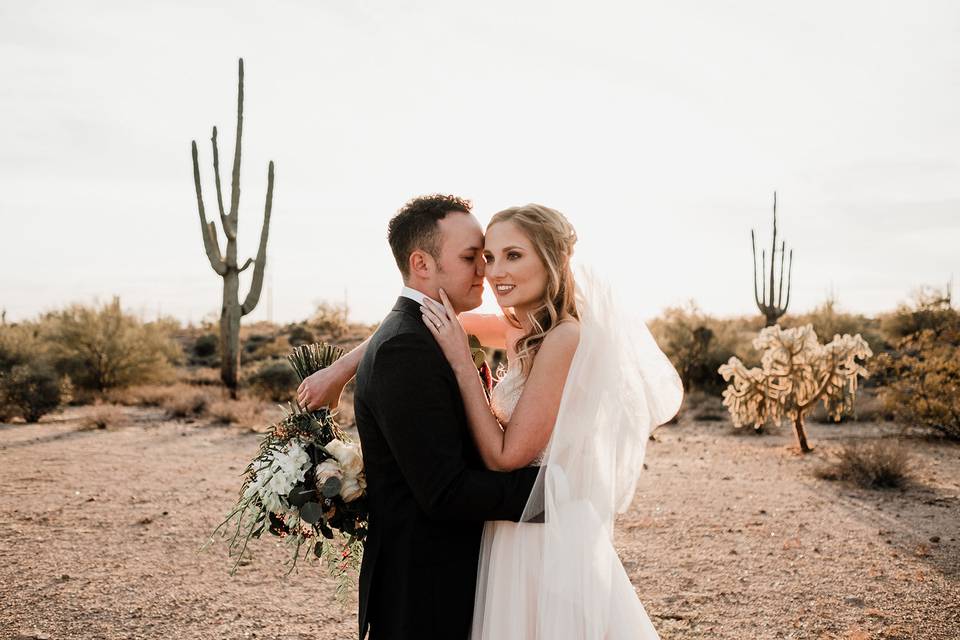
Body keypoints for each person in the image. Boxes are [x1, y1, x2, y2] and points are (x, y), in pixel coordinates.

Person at [300, 201, 683, 639]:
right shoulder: (516, 325)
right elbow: (416, 318)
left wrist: (464, 365)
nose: (492, 270)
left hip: (539, 532)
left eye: (512, 255)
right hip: (504, 529)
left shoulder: (564, 337)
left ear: (553, 260)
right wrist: (339, 370)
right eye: (485, 256)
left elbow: (505, 457)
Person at [339, 194, 541, 640]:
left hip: (438, 581)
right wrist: (551, 490)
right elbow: (445, 492)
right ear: (422, 264)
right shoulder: (404, 348)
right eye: (471, 257)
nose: (484, 270)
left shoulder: (425, 331)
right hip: (427, 594)